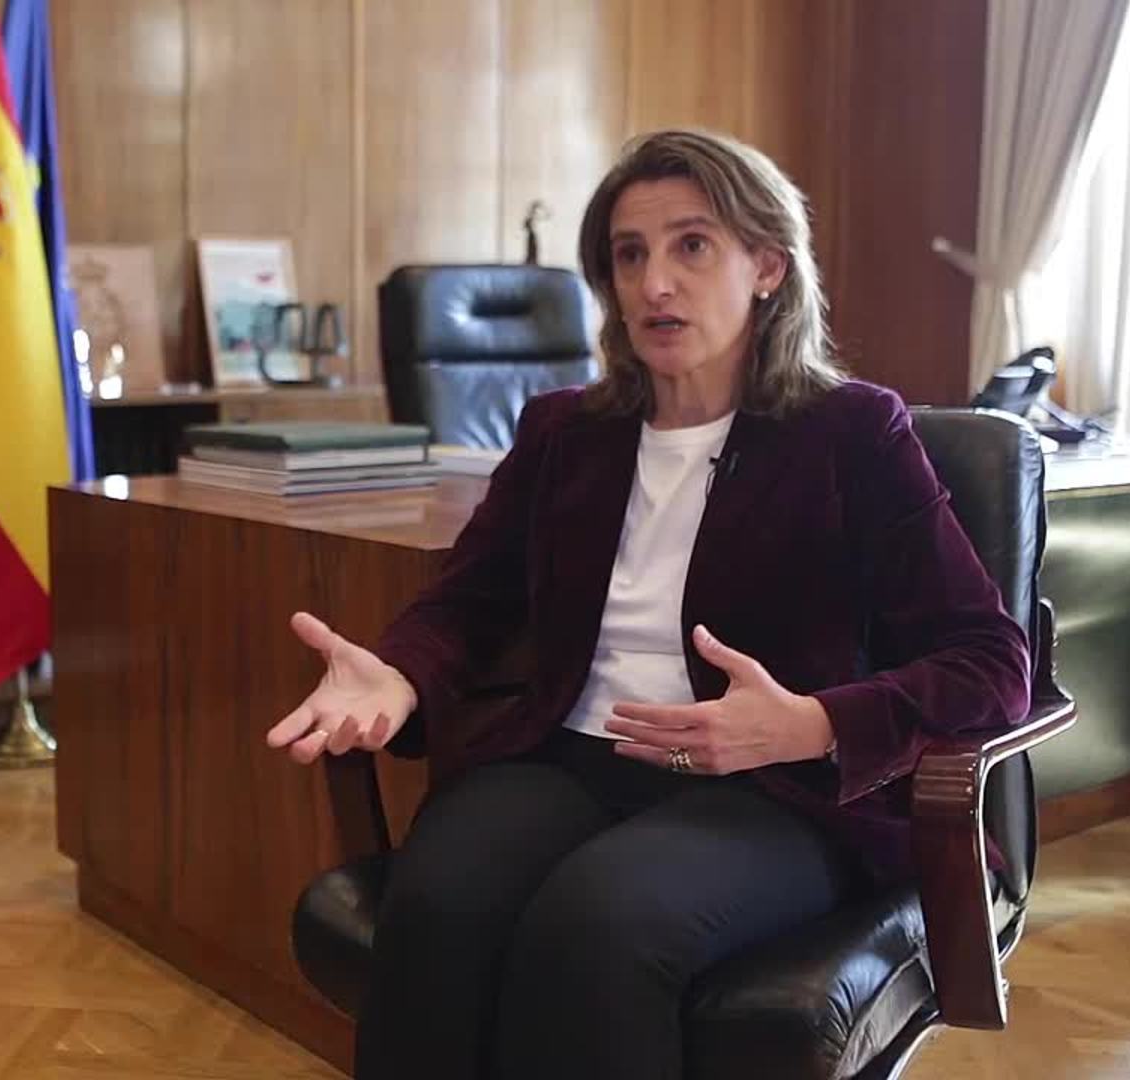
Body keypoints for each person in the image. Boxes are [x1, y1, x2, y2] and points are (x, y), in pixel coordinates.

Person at [265, 129, 1032, 1080]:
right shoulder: (565, 433)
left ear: (767, 267)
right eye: (629, 255)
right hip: (569, 760)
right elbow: (469, 601)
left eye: (691, 246)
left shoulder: (852, 433)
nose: (654, 283)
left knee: (599, 925)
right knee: (437, 901)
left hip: (771, 789)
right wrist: (399, 674)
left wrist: (811, 723)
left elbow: (990, 661)